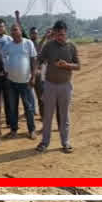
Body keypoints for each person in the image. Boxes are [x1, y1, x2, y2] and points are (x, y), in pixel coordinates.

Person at [36, 20, 81, 154]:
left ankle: (65, 142)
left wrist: (66, 65)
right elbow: (39, 59)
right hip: (50, 85)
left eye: (61, 34)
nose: (59, 37)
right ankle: (45, 142)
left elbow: (78, 66)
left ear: (66, 32)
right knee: (48, 116)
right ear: (54, 33)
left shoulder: (71, 47)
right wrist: (37, 68)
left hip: (65, 86)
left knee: (64, 116)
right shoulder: (49, 46)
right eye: (56, 34)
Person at [1, 14, 39, 140]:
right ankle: (13, 130)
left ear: (20, 31)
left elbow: (34, 60)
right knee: (13, 107)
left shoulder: (28, 43)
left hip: (26, 82)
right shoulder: (8, 45)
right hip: (11, 82)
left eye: (15, 29)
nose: (13, 32)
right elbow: (3, 58)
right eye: (12, 30)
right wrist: (5, 70)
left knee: (29, 107)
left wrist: (33, 77)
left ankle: (31, 130)